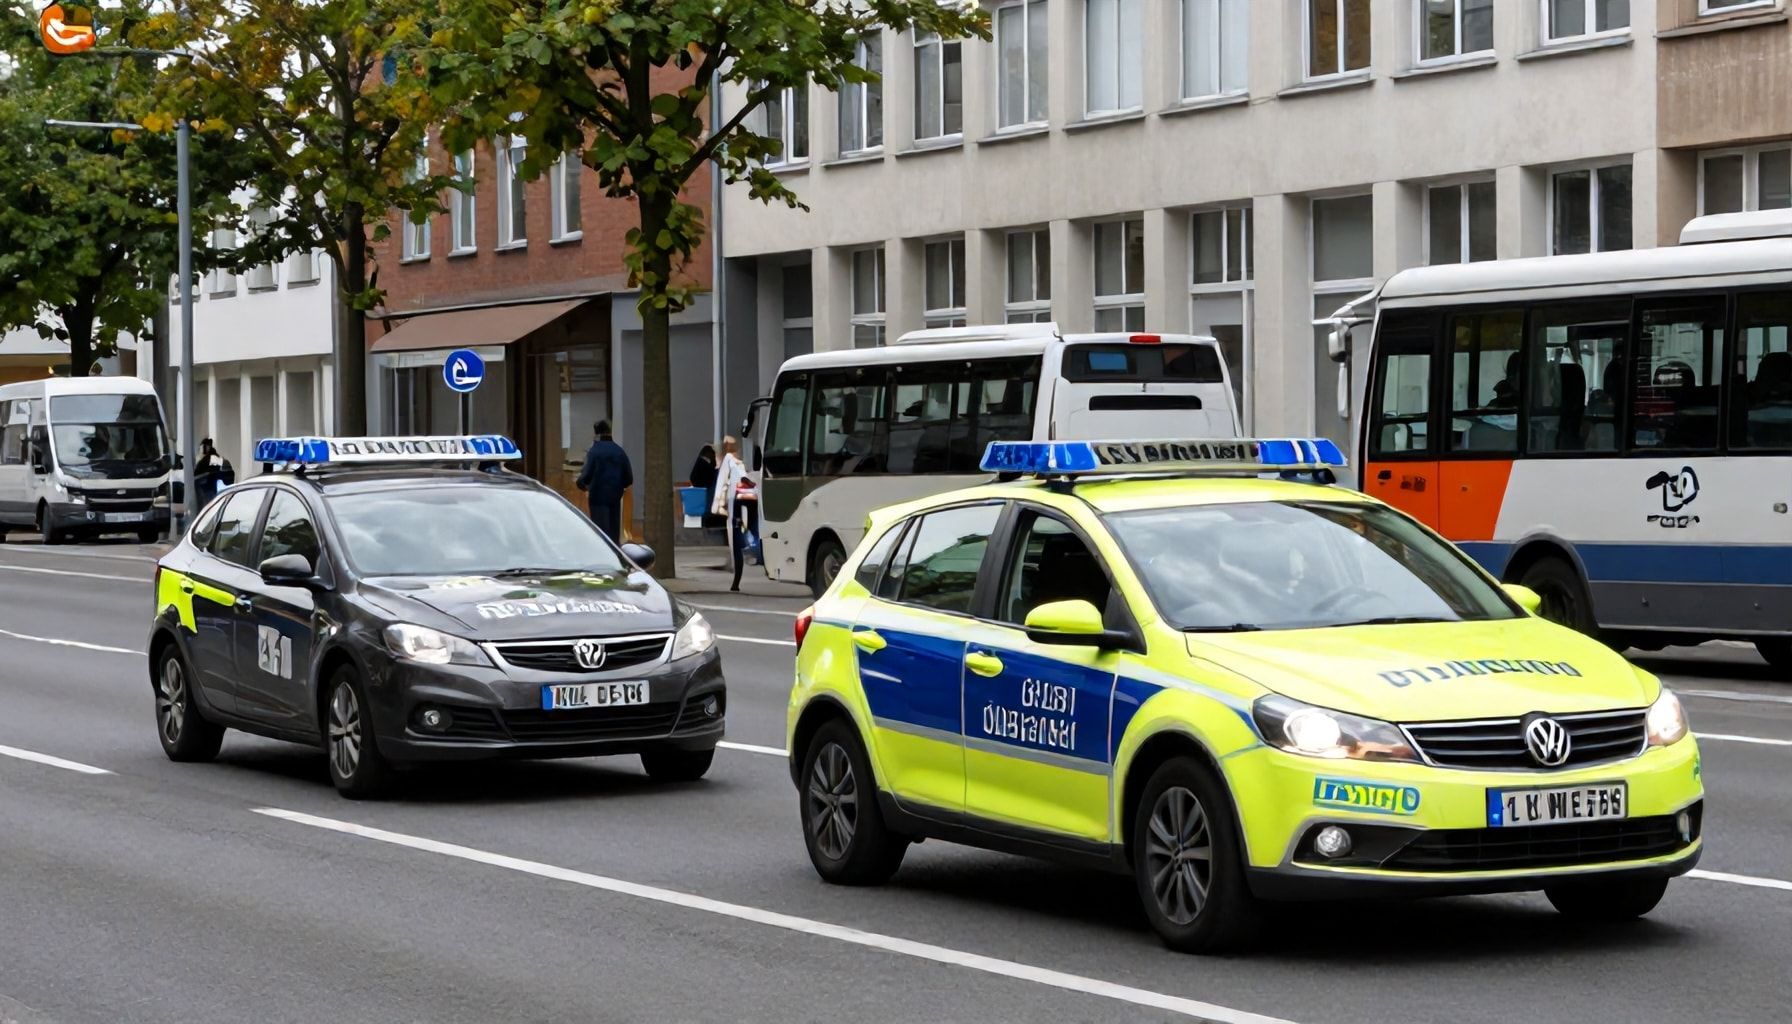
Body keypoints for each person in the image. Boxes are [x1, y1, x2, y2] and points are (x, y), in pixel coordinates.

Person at [575, 420, 633, 542]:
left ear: (596, 434)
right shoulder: (619, 452)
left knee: (600, 534)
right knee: (613, 533)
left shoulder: (594, 452)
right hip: (615, 498)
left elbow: (585, 476)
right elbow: (629, 479)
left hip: (597, 498)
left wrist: (582, 486)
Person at [711, 436, 756, 592]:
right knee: (740, 541)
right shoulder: (740, 463)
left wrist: (717, 506)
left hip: (733, 506)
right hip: (743, 505)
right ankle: (737, 579)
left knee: (735, 545)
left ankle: (736, 581)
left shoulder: (728, 461)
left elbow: (721, 484)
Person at [688, 444, 723, 532]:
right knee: (709, 500)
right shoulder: (704, 462)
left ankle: (708, 518)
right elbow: (711, 471)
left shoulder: (702, 461)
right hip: (704, 483)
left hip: (702, 482)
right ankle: (709, 518)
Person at [194, 439, 226, 505]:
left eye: (203, 447)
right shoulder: (214, 457)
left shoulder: (207, 459)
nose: (202, 450)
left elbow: (198, 472)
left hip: (207, 487)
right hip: (212, 487)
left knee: (209, 505)